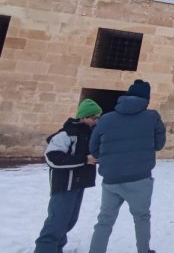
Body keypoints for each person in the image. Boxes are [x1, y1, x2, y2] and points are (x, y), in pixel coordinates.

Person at [88, 79, 166, 253]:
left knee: (104, 220)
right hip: (139, 178)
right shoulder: (152, 117)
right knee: (142, 217)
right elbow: (159, 144)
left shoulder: (106, 119)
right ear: (146, 98)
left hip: (111, 179)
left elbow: (94, 149)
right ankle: (143, 250)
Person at [34, 99, 102, 253]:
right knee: (56, 223)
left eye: (98, 118)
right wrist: (85, 159)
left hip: (79, 183)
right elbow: (53, 158)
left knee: (69, 221)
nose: (96, 121)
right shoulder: (66, 134)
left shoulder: (90, 134)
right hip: (65, 184)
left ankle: (56, 249)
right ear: (83, 117)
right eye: (93, 118)